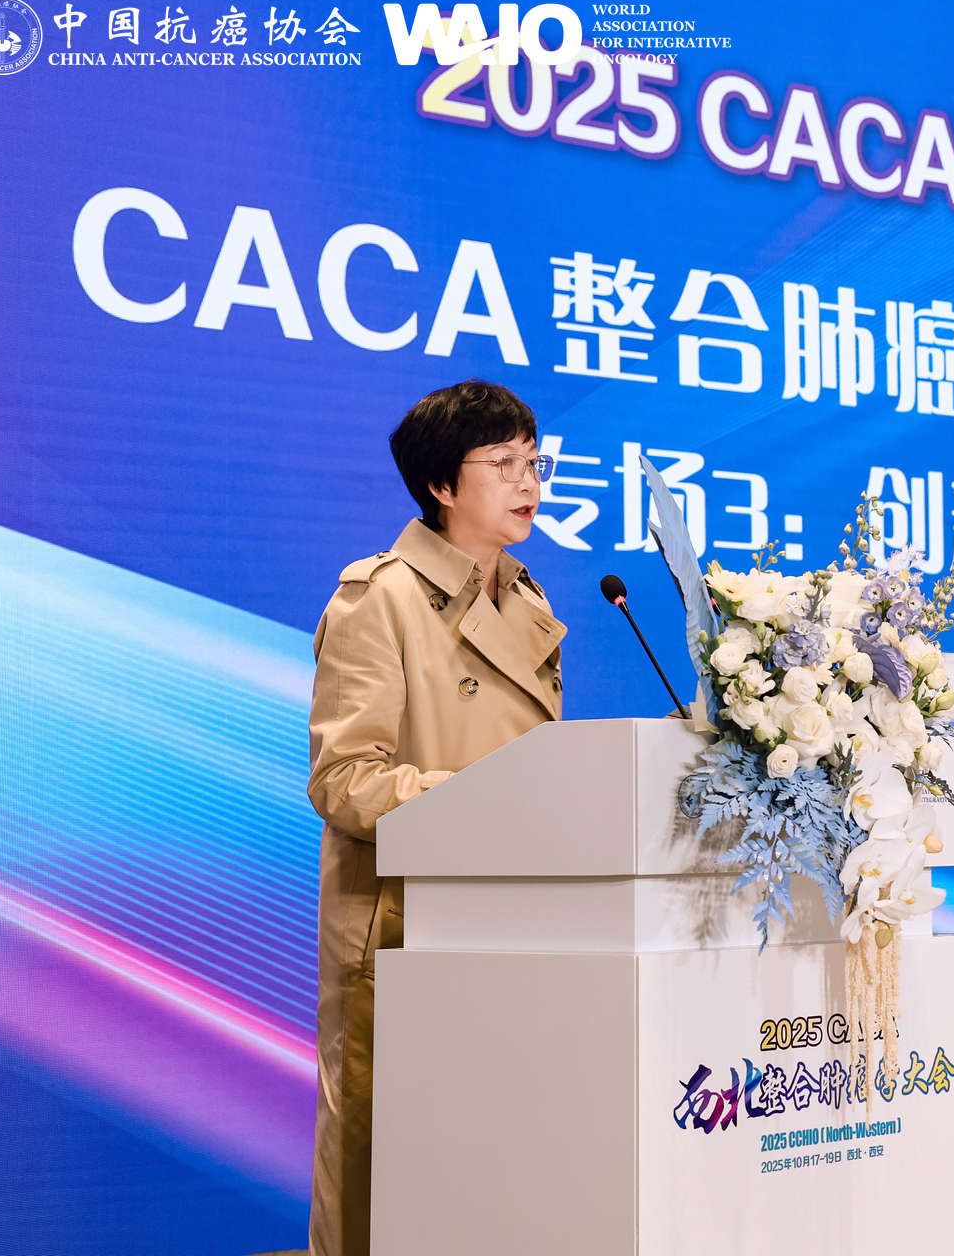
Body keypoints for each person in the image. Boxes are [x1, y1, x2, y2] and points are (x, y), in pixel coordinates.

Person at [305, 379, 566, 1256]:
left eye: (533, 461)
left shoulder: (527, 601)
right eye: (503, 463)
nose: (528, 481)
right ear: (441, 485)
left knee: (488, 1153)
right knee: (378, 1160)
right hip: (401, 922)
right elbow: (345, 779)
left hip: (510, 914)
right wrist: (481, 802)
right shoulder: (377, 598)